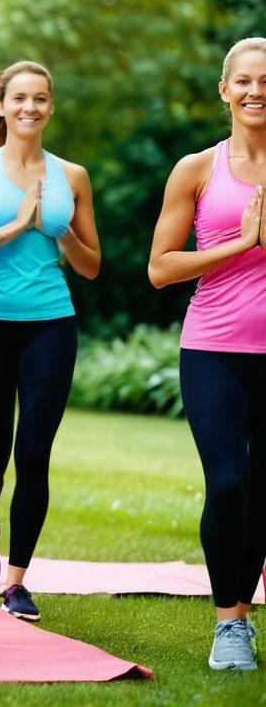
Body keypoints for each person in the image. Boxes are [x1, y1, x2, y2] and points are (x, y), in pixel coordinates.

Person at [0, 62, 101, 622]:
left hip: (51, 322)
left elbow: (91, 266)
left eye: (40, 99)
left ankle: (17, 581)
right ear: (1, 105)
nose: (29, 108)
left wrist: (57, 226)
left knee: (34, 454)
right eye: (19, 98)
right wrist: (19, 223)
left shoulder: (73, 176)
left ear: (50, 106)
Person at [149, 37, 266, 672]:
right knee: (228, 482)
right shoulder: (197, 168)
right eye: (244, 81)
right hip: (214, 347)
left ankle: (242, 613)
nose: (256, 91)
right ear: (225, 90)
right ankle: (230, 625)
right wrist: (242, 242)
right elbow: (160, 269)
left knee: (264, 493)